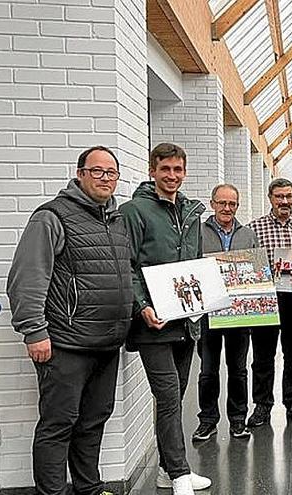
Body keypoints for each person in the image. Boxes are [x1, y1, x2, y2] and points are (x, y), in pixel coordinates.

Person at [7, 146, 131, 495]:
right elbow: (27, 278)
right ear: (80, 174)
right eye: (97, 171)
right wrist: (34, 330)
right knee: (58, 424)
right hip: (65, 344)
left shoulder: (116, 220)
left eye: (112, 172)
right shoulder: (52, 217)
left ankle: (88, 489)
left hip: (107, 343)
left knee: (93, 422)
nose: (106, 178)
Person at [120, 143, 210, 495]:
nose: (171, 176)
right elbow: (126, 266)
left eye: (177, 170)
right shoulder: (134, 211)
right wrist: (142, 305)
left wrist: (204, 298)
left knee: (175, 396)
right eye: (165, 169)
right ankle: (180, 473)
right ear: (152, 171)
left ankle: (164, 470)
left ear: (184, 172)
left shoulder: (190, 214)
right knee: (169, 396)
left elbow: (195, 265)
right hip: (152, 325)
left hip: (185, 322)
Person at [246, 178, 292, 425]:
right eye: (279, 197)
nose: (285, 201)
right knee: (263, 356)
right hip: (265, 300)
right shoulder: (253, 229)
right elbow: (248, 265)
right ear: (270, 198)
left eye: (289, 196)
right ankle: (262, 405)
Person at [192, 184, 258, 442]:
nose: (227, 208)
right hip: (208, 314)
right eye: (222, 203)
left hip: (239, 315)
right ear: (212, 203)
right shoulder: (197, 233)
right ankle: (207, 420)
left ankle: (238, 419)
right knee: (208, 370)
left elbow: (256, 272)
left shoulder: (248, 234)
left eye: (232, 204)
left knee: (238, 370)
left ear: (237, 206)